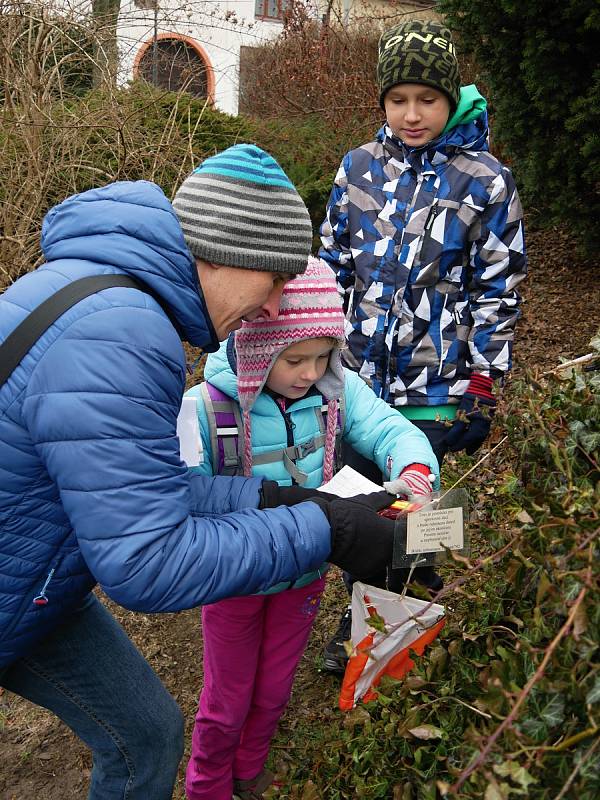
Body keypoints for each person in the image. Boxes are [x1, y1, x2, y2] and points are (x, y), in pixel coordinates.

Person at [0, 144, 406, 799]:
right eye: (273, 280)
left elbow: (136, 484)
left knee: (148, 733)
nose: (275, 306)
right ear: (226, 253)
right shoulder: (126, 332)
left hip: (33, 572)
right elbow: (146, 561)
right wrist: (324, 527)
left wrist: (272, 496)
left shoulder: (101, 294)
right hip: (23, 571)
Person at [181, 257, 439, 800]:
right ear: (254, 352)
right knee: (226, 699)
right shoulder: (206, 411)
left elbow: (389, 428)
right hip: (234, 582)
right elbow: (181, 494)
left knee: (274, 688)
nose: (309, 372)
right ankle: (207, 785)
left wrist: (414, 474)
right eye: (295, 358)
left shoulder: (334, 394)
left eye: (324, 356)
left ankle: (250, 772)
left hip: (304, 575)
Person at [319, 19, 528, 671]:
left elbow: (501, 287)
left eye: (427, 99)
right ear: (382, 100)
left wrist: (486, 384)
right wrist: (310, 354)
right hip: (358, 383)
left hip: (439, 390)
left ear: (448, 98)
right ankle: (369, 617)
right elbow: (328, 269)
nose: (413, 114)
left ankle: (403, 620)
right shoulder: (356, 170)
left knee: (412, 516)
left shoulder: (486, 181)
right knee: (356, 509)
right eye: (398, 99)